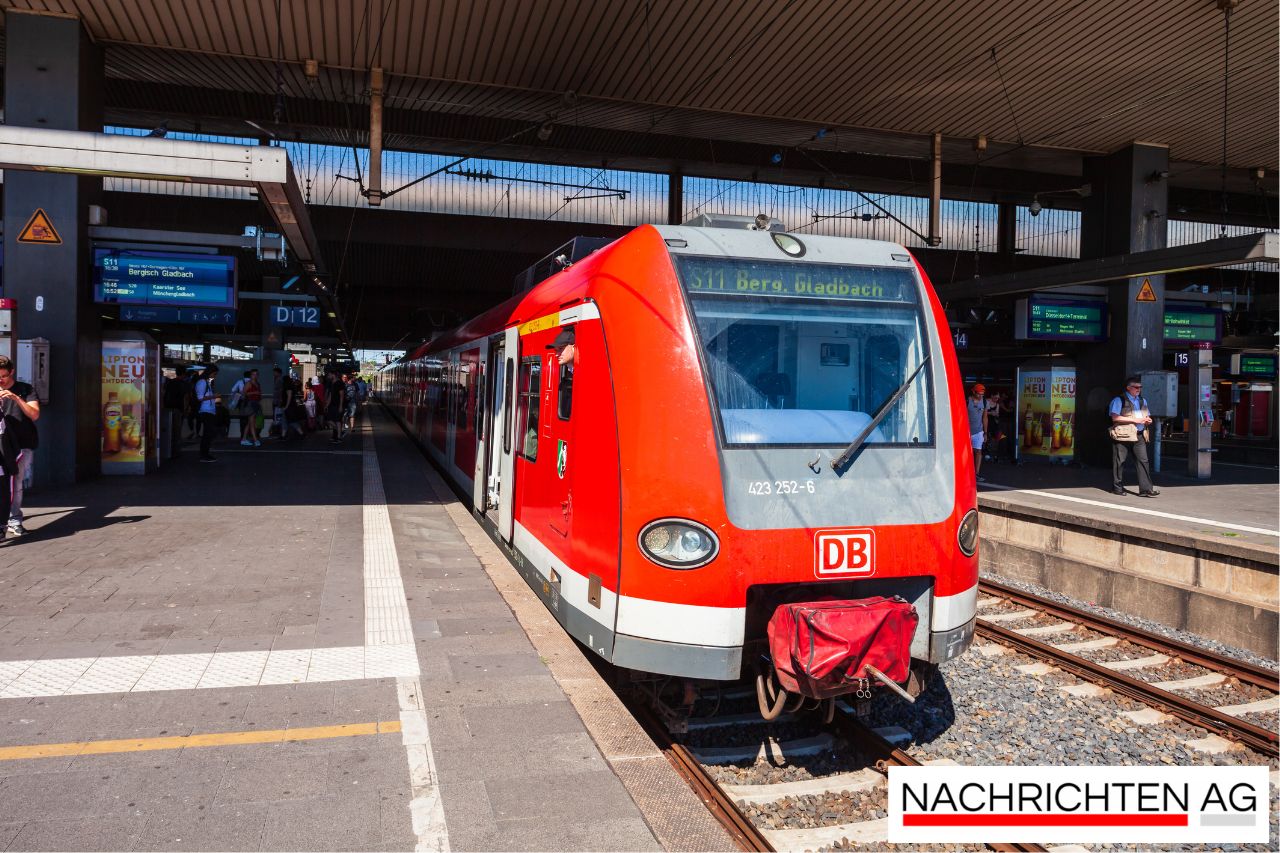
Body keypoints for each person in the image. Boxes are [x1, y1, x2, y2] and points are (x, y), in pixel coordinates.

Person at [0, 356, 40, 537]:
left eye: (4, 376)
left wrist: (16, 398)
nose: (0, 380)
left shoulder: (25, 389)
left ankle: (14, 519)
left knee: (16, 482)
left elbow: (34, 414)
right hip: (1, 443)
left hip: (22, 443)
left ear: (12, 372)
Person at [1109, 376, 1159, 497]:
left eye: (1140, 387)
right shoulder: (1119, 400)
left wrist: (1148, 420)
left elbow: (1147, 415)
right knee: (1119, 461)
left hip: (1139, 435)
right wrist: (1135, 420)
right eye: (1136, 387)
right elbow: (1115, 417)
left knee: (1143, 461)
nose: (1139, 389)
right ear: (1128, 388)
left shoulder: (1143, 400)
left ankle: (1146, 489)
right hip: (1123, 435)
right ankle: (1117, 487)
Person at [194, 364, 220, 462]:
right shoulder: (202, 382)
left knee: (208, 434)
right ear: (210, 372)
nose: (215, 375)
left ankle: (205, 454)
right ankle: (204, 455)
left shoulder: (205, 382)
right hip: (206, 411)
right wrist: (214, 396)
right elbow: (200, 398)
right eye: (214, 373)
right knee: (208, 434)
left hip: (208, 411)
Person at [966, 383, 987, 482]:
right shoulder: (967, 401)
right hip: (966, 431)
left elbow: (985, 417)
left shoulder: (984, 402)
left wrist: (985, 432)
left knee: (978, 452)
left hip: (979, 431)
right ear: (973, 392)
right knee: (967, 453)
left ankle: (976, 474)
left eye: (982, 394)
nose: (980, 396)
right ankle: (966, 473)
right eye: (978, 394)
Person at [236, 369, 262, 447]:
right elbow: (243, 393)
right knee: (252, 422)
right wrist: (254, 393)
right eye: (253, 374)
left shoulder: (257, 383)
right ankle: (255, 440)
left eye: (256, 374)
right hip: (250, 403)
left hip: (255, 403)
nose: (255, 376)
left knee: (249, 423)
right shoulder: (249, 383)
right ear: (250, 375)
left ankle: (244, 439)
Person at [271, 366, 286, 439]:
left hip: (277, 401)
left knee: (277, 417)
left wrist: (280, 400)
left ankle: (278, 432)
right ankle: (278, 432)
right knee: (277, 417)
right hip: (277, 400)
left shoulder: (279, 380)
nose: (273, 374)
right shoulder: (277, 379)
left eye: (275, 372)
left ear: (278, 373)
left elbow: (280, 391)